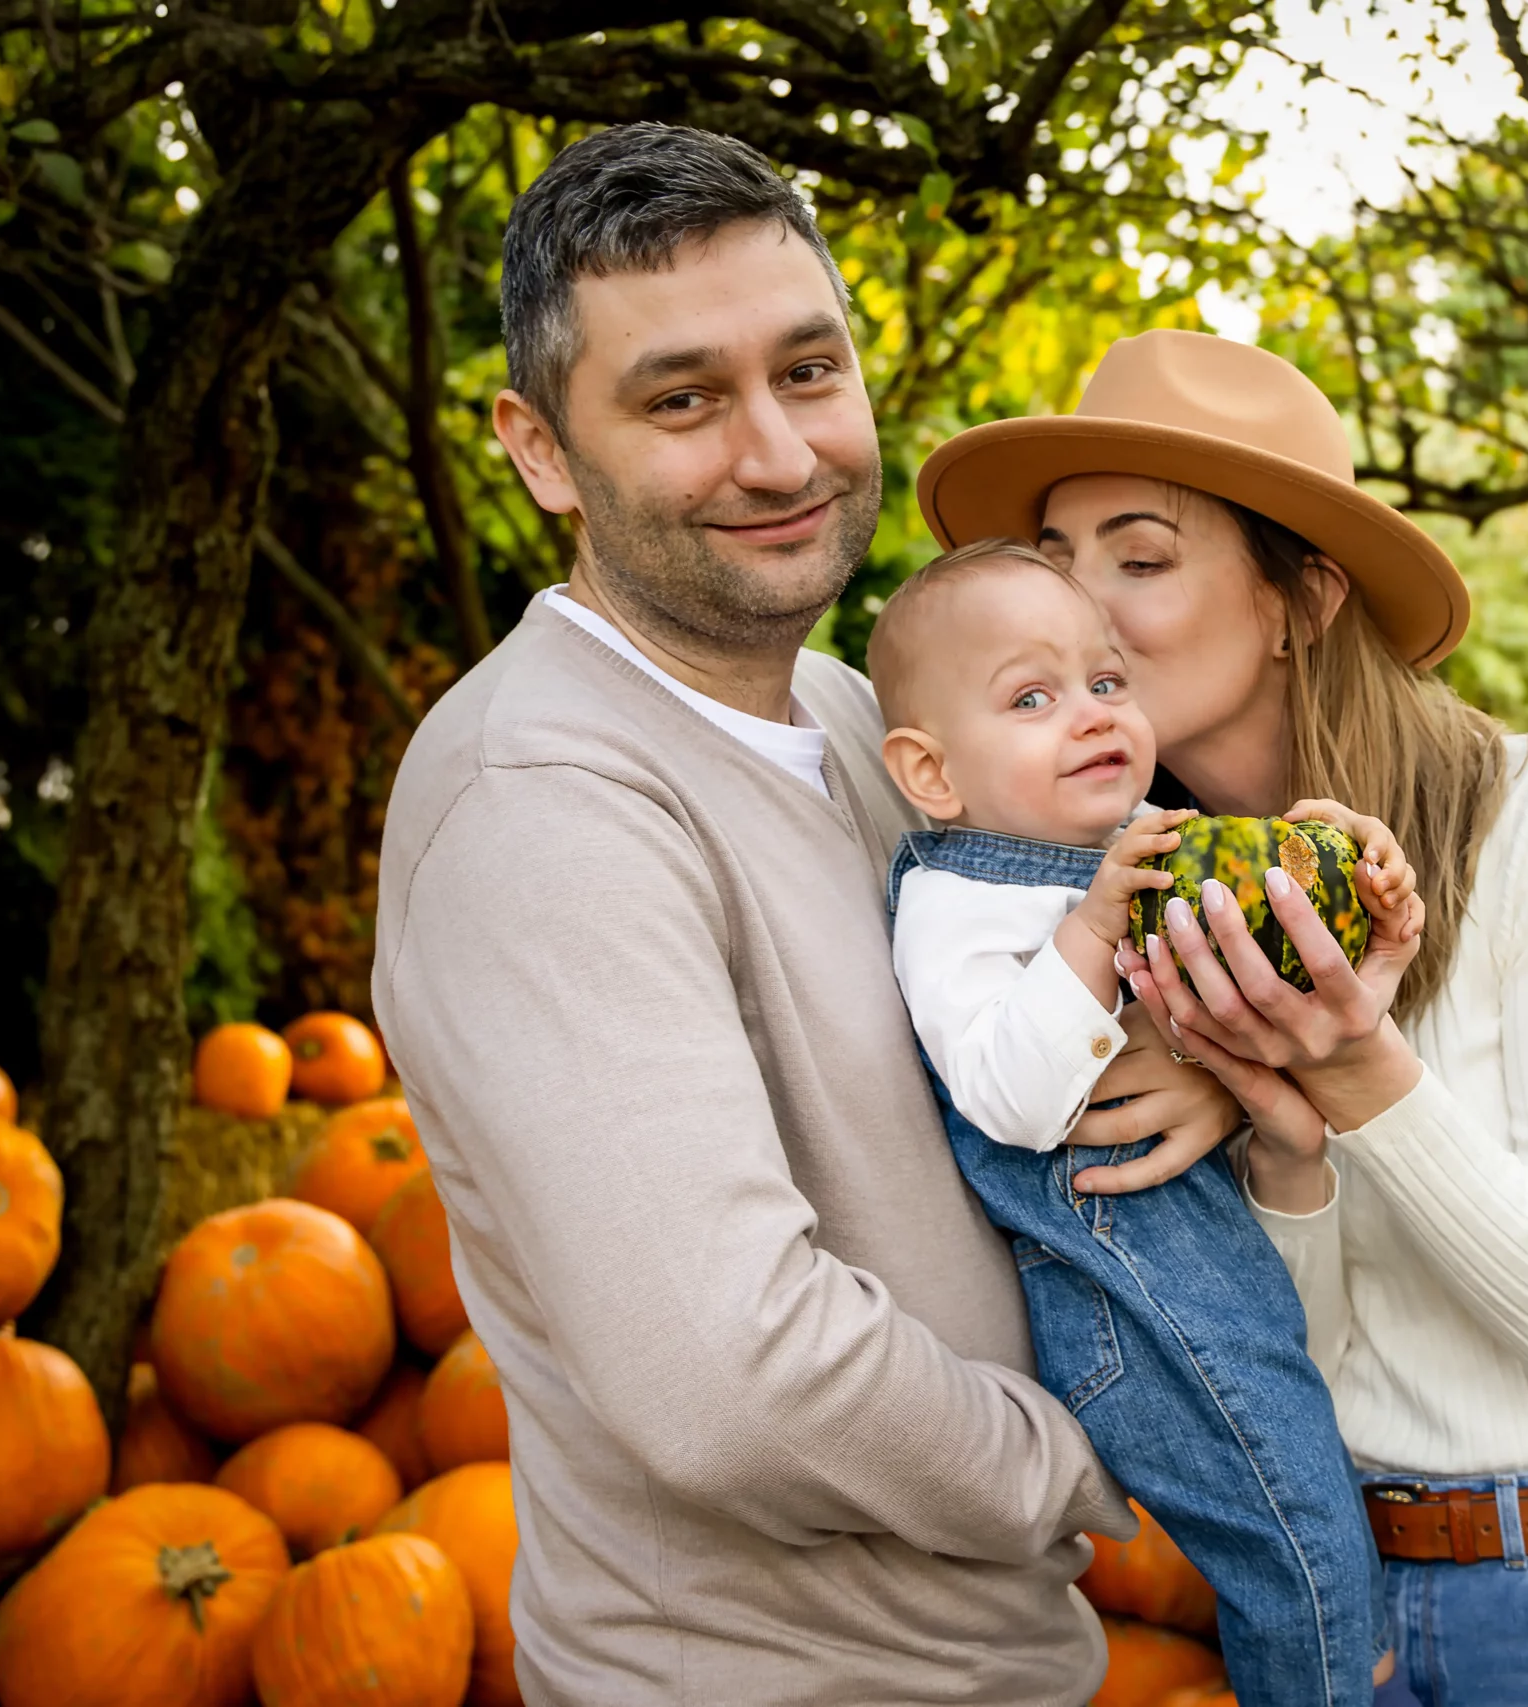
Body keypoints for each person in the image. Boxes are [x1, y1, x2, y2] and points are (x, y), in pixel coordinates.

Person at [373, 125, 1245, 1705]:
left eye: (809, 370)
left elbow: (1009, 1021)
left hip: (991, 1659)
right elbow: (727, 1371)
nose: (778, 457)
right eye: (683, 398)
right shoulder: (543, 804)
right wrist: (1074, 1461)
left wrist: (1182, 1058)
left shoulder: (861, 719)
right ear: (540, 450)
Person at [917, 328, 1528, 1706]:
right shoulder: (1139, 914)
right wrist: (1283, 1137)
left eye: (1139, 557)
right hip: (1338, 1610)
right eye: (1061, 566)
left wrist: (1360, 1066)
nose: (1086, 612)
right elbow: (1304, 1364)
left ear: (1299, 596)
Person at [866, 538, 1410, 1706]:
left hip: (1208, 1284)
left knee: (1310, 1521)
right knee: (1294, 1534)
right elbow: (1010, 1097)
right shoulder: (960, 903)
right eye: (1032, 696)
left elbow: (1274, 1022)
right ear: (931, 773)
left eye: (1106, 682)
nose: (1092, 714)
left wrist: (1355, 901)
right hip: (1128, 1309)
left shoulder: (1111, 859)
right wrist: (1093, 931)